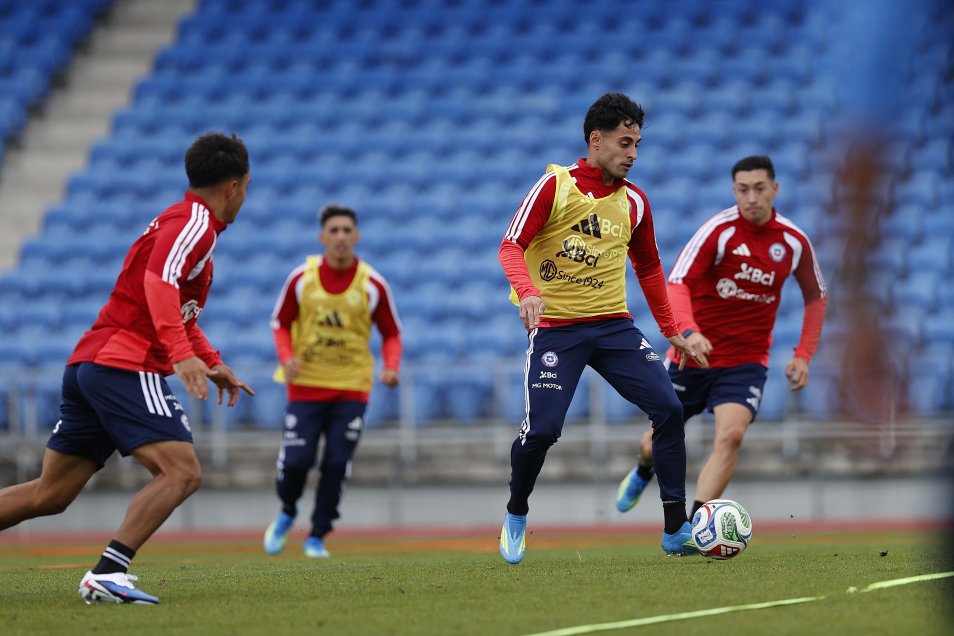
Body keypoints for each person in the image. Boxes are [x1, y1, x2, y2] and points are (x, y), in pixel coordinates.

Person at [0, 132, 255, 605]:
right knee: (183, 472)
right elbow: (160, 285)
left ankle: (108, 573)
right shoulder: (193, 224)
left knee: (49, 495)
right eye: (246, 187)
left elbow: (175, 308)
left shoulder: (183, 224)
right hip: (123, 363)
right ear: (235, 187)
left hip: (92, 363)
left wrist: (212, 361)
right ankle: (108, 572)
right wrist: (180, 354)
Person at [497, 92, 705, 564]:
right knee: (543, 430)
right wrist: (528, 291)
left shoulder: (635, 202)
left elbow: (650, 268)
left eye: (637, 145)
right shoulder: (554, 187)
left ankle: (676, 530)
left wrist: (671, 327)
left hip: (613, 328)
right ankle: (516, 512)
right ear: (596, 139)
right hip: (557, 329)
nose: (633, 153)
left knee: (670, 409)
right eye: (625, 142)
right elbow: (510, 247)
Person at [616, 155, 827, 520]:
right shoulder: (719, 230)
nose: (752, 197)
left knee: (731, 436)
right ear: (734, 191)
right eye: (743, 190)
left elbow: (816, 295)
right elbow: (677, 282)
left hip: (746, 362)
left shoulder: (793, 242)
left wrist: (804, 354)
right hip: (692, 356)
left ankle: (700, 523)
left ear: (774, 190)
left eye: (760, 189)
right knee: (654, 443)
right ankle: (643, 468)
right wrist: (689, 332)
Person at [262, 204, 402, 558]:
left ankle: (317, 536)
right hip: (305, 386)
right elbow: (279, 322)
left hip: (351, 389)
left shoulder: (372, 284)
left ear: (356, 236)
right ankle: (288, 511)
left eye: (346, 230)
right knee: (296, 462)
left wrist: (391, 365)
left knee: (336, 465)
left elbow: (391, 333)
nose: (340, 237)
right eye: (334, 230)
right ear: (322, 236)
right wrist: (286, 357)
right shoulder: (301, 279)